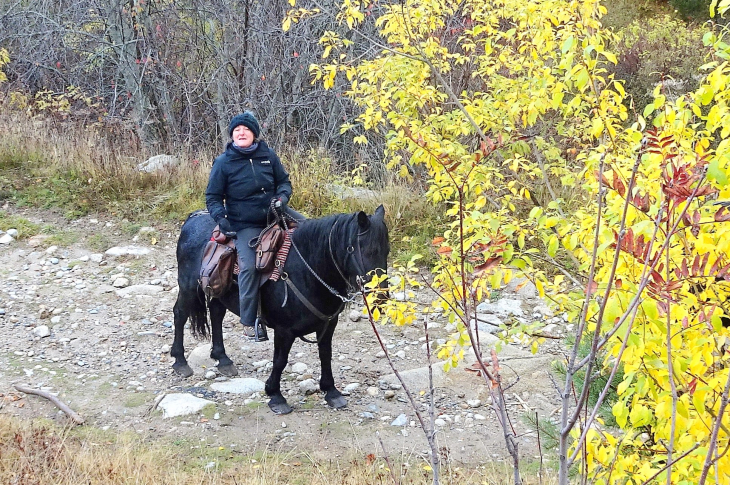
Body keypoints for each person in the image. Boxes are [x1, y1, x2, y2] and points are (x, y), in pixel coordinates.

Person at [205, 111, 301, 341]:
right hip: (245, 222)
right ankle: (249, 320)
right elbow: (213, 197)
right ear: (232, 135)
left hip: (276, 212)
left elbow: (284, 183)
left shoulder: (268, 155)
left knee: (313, 233)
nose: (241, 132)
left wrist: (282, 198)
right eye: (237, 130)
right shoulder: (223, 162)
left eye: (246, 129)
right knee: (249, 266)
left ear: (254, 134)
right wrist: (222, 219)